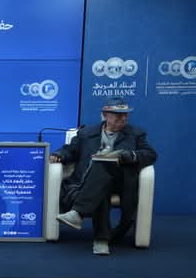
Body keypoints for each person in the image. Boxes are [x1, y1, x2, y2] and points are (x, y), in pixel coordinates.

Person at [50, 97, 157, 255]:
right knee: (102, 187)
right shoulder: (86, 133)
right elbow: (71, 150)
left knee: (102, 164)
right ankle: (101, 240)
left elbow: (150, 154)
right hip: (90, 181)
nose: (123, 118)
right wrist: (59, 155)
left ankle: (78, 213)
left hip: (120, 182)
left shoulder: (135, 134)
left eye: (125, 115)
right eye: (118, 115)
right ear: (105, 115)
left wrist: (131, 155)